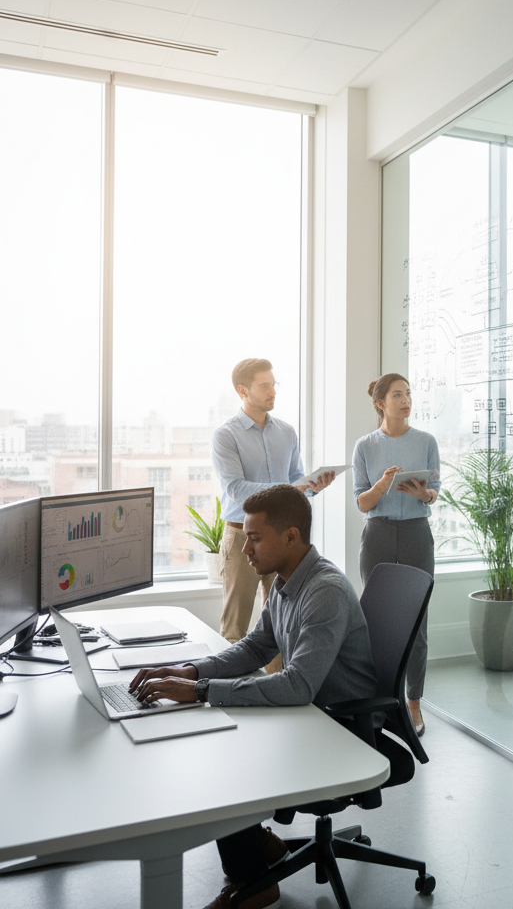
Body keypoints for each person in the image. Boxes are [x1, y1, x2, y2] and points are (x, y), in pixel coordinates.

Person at [129, 485, 377, 909]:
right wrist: (190, 672)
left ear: (291, 537)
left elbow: (298, 686)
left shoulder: (325, 592)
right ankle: (258, 846)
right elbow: (255, 648)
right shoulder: (284, 581)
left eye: (255, 538)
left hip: (340, 727)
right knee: (213, 734)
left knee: (223, 752)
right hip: (309, 715)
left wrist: (201, 692)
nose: (245, 549)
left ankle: (253, 884)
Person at [210, 358, 335, 664]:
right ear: (243, 390)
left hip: (282, 539)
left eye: (273, 385)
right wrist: (289, 489)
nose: (272, 392)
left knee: (282, 624)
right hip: (243, 536)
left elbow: (296, 480)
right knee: (235, 626)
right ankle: (228, 694)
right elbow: (236, 489)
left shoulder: (287, 432)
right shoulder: (226, 435)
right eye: (264, 386)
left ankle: (278, 691)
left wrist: (313, 485)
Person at [352, 373, 440, 738]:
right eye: (397, 395)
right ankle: (377, 702)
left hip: (418, 533)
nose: (405, 400)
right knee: (376, 623)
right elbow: (361, 502)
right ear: (380, 403)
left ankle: (414, 702)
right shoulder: (365, 446)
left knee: (417, 625)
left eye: (408, 394)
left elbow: (435, 493)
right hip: (379, 535)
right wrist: (382, 486)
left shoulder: (426, 441)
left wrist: (423, 494)